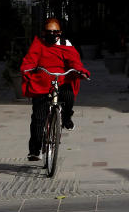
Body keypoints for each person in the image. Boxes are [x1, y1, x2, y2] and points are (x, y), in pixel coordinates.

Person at [20, 17, 90, 161]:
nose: (52, 34)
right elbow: (31, 59)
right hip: (42, 83)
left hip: (61, 79)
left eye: (55, 32)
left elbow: (74, 60)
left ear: (60, 32)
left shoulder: (66, 44)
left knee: (69, 96)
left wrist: (79, 71)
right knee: (38, 118)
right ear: (43, 32)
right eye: (49, 32)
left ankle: (66, 117)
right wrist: (27, 68)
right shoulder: (38, 44)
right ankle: (35, 150)